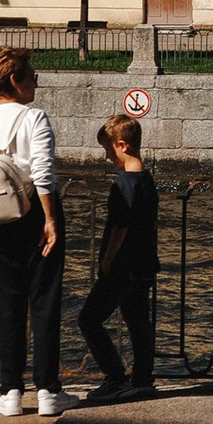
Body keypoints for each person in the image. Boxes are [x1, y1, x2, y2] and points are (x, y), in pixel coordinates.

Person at [0, 47, 76, 418]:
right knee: (44, 302)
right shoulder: (33, 118)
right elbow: (43, 173)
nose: (35, 85)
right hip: (34, 218)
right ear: (15, 81)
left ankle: (10, 392)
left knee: (7, 306)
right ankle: (47, 391)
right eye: (32, 78)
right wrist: (51, 220)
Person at [79, 115, 159, 405]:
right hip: (144, 264)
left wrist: (107, 261)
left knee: (88, 319)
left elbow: (120, 227)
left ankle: (115, 376)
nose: (107, 156)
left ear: (122, 145)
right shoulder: (146, 181)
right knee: (138, 323)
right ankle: (142, 380)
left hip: (122, 267)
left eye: (108, 150)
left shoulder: (124, 184)